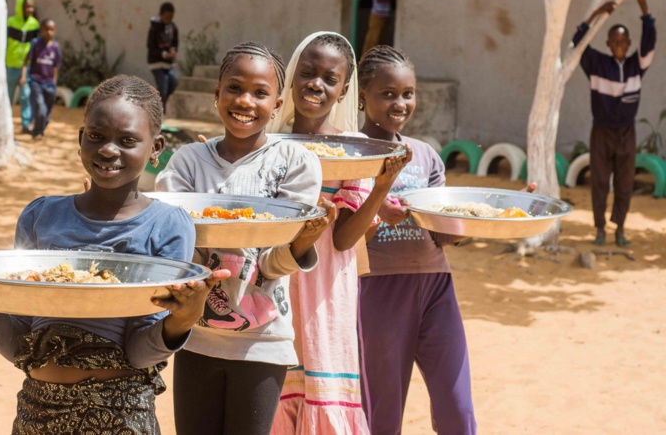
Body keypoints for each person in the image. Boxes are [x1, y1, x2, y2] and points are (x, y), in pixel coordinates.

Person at [0, 75, 229, 434]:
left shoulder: (166, 225)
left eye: (127, 140)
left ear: (156, 147)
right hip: (38, 411)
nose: (108, 150)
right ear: (81, 139)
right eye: (96, 137)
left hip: (120, 413)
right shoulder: (42, 216)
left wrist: (183, 319)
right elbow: (22, 342)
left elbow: (140, 353)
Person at [155, 41, 336, 435]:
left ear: (277, 104)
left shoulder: (294, 162)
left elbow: (272, 262)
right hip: (196, 337)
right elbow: (175, 241)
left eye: (260, 92)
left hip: (263, 341)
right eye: (234, 88)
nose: (245, 101)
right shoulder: (187, 162)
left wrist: (302, 243)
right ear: (216, 94)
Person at [268, 32, 410, 434]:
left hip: (326, 286)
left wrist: (381, 185)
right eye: (307, 73)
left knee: (321, 373)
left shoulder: (356, 149)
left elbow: (346, 238)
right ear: (292, 77)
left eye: (329, 78)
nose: (316, 84)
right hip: (274, 280)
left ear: (344, 90)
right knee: (275, 384)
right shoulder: (269, 145)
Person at [356, 45, 477, 435]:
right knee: (382, 414)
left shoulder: (425, 155)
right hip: (378, 289)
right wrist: (376, 211)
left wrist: (476, 220)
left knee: (457, 407)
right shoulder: (350, 153)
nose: (399, 103)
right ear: (362, 96)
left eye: (407, 93)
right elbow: (340, 230)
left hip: (437, 288)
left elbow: (441, 233)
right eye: (387, 94)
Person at [572, 0, 656, 246]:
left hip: (626, 133)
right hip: (602, 132)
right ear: (608, 44)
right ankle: (599, 229)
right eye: (615, 42)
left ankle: (619, 228)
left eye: (624, 43)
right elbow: (579, 40)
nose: (620, 47)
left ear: (629, 45)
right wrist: (598, 14)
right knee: (599, 182)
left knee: (625, 182)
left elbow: (650, 40)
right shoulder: (596, 64)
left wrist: (643, 5)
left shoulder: (636, 66)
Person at [22, 19, 61, 140]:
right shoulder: (35, 43)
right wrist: (23, 76)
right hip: (36, 81)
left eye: (52, 30)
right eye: (47, 29)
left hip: (49, 83)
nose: (49, 32)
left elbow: (55, 66)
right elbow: (26, 60)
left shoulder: (55, 47)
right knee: (40, 107)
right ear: (42, 30)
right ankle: (37, 132)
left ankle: (40, 128)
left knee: (47, 111)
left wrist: (54, 81)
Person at [7, 0, 40, 134]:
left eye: (31, 6)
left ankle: (25, 124)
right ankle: (5, 122)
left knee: (25, 95)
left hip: (26, 66)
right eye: (27, 6)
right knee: (8, 95)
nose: (30, 9)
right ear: (20, 7)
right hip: (10, 64)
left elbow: (35, 46)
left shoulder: (35, 24)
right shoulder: (11, 22)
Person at [147, 2, 179, 112]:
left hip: (167, 64)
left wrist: (173, 50)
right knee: (164, 82)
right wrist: (164, 54)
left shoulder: (172, 27)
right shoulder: (154, 28)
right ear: (160, 14)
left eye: (171, 17)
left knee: (173, 81)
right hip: (156, 63)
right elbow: (150, 46)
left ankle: (158, 98)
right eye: (166, 17)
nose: (168, 20)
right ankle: (161, 111)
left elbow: (175, 43)